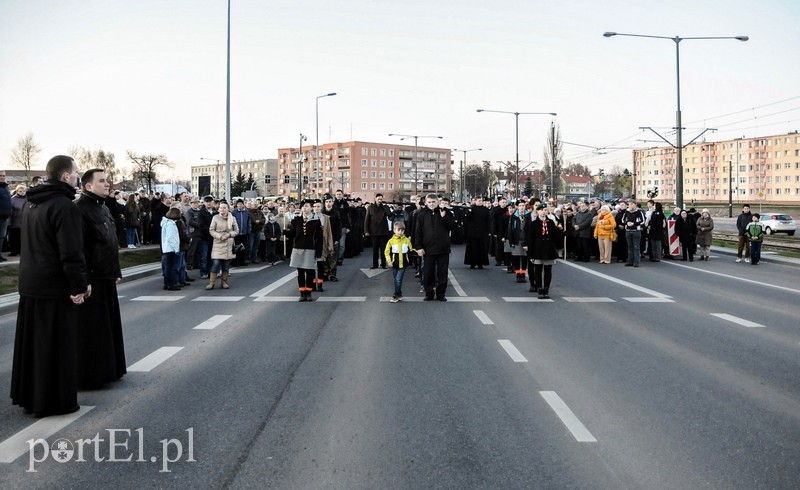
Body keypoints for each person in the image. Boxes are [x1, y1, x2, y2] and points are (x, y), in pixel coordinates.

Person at [11, 155, 89, 417]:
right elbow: (71, 252)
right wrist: (79, 285)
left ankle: (31, 398)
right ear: (66, 176)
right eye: (76, 173)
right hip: (54, 286)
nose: (78, 176)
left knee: (33, 346)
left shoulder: (31, 203)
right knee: (56, 345)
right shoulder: (65, 206)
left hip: (31, 282)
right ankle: (55, 401)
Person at [75, 168, 126, 389]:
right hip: (93, 278)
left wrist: (116, 270)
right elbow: (80, 248)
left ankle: (110, 371)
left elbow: (109, 242)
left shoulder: (102, 207)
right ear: (88, 186)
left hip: (106, 274)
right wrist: (83, 279)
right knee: (93, 329)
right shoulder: (80, 209)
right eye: (102, 181)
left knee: (109, 326)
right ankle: (91, 376)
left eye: (108, 180)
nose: (108, 184)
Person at [413, 194, 455, 301]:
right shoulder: (422, 214)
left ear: (438, 202)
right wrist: (418, 247)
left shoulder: (445, 212)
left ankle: (441, 294)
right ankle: (429, 293)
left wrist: (444, 217)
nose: (431, 204)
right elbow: (418, 232)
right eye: (429, 202)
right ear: (426, 202)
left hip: (443, 248)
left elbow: (452, 227)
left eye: (433, 202)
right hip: (428, 249)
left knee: (442, 272)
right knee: (428, 272)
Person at [523, 204, 561, 299]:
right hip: (538, 250)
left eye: (545, 210)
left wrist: (561, 231)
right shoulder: (534, 223)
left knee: (548, 270)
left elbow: (555, 236)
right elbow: (530, 239)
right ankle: (539, 288)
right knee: (538, 270)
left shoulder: (551, 222)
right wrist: (530, 253)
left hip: (548, 249)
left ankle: (546, 289)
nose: (544, 212)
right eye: (542, 210)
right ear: (538, 211)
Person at [287, 200, 323, 302]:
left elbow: (319, 238)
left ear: (311, 208)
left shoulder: (316, 221)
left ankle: (309, 292)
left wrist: (319, 252)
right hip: (298, 248)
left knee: (310, 272)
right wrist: (287, 232)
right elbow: (293, 234)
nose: (305, 208)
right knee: (300, 272)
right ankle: (302, 293)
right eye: (303, 206)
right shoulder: (296, 220)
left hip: (310, 248)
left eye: (307, 206)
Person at [207, 201, 239, 289]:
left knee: (226, 265)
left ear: (228, 209)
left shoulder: (233, 219)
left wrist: (229, 234)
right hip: (218, 243)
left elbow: (236, 231)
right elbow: (211, 230)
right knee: (216, 264)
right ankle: (211, 283)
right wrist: (220, 236)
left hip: (228, 243)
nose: (222, 209)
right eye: (220, 208)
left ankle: (224, 282)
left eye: (224, 208)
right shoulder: (215, 218)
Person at [385, 221, 415, 303]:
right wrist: (389, 261)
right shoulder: (391, 241)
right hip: (394, 264)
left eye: (402, 230)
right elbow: (386, 252)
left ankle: (396, 295)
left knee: (398, 279)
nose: (400, 232)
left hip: (403, 264)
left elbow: (411, 250)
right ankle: (400, 293)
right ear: (394, 230)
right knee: (396, 280)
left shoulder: (406, 240)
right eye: (398, 230)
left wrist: (419, 252)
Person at [364, 193, 392, 269]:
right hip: (374, 231)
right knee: (375, 249)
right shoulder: (370, 207)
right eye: (378, 199)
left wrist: (386, 208)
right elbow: (367, 220)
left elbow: (390, 215)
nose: (380, 201)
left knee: (383, 249)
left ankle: (383, 264)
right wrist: (366, 230)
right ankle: (375, 264)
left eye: (381, 199)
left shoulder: (384, 207)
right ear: (375, 199)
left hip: (383, 232)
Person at [463, 196, 491, 269]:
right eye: (479, 201)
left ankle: (480, 263)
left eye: (481, 201)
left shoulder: (485, 210)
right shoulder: (471, 209)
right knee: (472, 248)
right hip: (472, 232)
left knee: (481, 248)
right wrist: (469, 213)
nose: (480, 202)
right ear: (475, 201)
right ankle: (472, 263)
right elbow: (467, 220)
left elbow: (488, 221)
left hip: (482, 232)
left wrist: (488, 231)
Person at [161, 207, 183, 290]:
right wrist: (176, 248)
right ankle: (171, 284)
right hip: (171, 249)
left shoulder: (166, 223)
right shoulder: (171, 224)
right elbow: (171, 237)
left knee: (168, 267)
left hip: (167, 248)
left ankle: (167, 283)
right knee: (171, 268)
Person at [322, 195, 342, 282]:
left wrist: (337, 239)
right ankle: (325, 273)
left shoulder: (336, 213)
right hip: (324, 238)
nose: (328, 204)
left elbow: (339, 227)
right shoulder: (322, 213)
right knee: (324, 257)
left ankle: (333, 274)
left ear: (332, 202)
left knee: (333, 257)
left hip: (333, 238)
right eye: (326, 202)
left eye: (330, 202)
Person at [621, 200, 645, 267]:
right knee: (630, 246)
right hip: (628, 230)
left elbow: (643, 221)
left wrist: (634, 224)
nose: (630, 206)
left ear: (635, 204)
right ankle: (630, 261)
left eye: (631, 204)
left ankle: (636, 262)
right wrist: (627, 223)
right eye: (629, 204)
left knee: (636, 247)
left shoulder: (639, 212)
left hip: (636, 231)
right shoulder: (627, 212)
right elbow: (623, 220)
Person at [8, 184, 27, 256]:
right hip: (15, 221)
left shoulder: (27, 199)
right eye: (20, 191)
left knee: (23, 238)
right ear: (17, 191)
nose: (22, 192)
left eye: (24, 191)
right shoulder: (12, 199)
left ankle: (22, 251)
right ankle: (14, 251)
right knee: (14, 237)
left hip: (24, 221)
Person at [231, 199, 251, 266]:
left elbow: (249, 222)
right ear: (236, 205)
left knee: (243, 247)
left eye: (241, 204)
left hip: (244, 233)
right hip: (237, 234)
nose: (240, 205)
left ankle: (242, 261)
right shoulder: (234, 212)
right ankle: (235, 261)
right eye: (238, 204)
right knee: (236, 248)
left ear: (243, 204)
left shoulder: (246, 212)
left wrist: (248, 230)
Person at [0, 170, 11, 261]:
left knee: (2, 236)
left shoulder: (6, 187)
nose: (2, 177)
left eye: (4, 175)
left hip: (5, 216)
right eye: (0, 175)